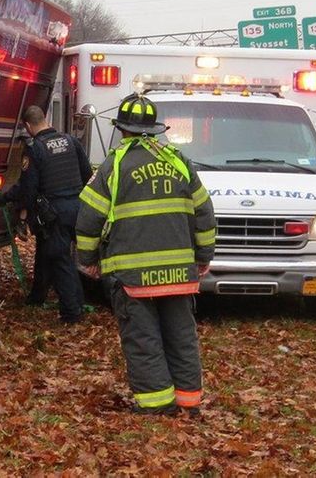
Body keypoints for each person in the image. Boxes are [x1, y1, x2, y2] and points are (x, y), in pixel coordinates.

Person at [75, 93, 216, 415]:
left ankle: (156, 405)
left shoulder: (116, 164)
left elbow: (88, 218)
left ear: (122, 130)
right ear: (154, 130)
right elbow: (204, 213)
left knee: (143, 338)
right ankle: (188, 402)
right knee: (181, 336)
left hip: (132, 277)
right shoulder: (178, 161)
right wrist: (203, 256)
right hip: (180, 274)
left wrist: (87, 260)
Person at [0, 104, 92, 324]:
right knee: (51, 253)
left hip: (54, 213)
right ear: (46, 119)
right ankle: (38, 296)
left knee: (60, 259)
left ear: (28, 126)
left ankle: (71, 312)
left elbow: (28, 188)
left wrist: (9, 202)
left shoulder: (35, 149)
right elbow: (87, 174)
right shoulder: (71, 141)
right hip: (77, 209)